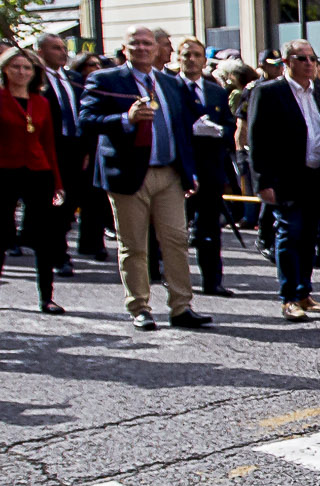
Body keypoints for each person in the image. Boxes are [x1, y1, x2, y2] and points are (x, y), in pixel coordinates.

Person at [85, 27, 209, 333]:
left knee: (176, 242)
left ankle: (182, 306)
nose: (141, 48)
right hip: (128, 175)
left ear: (156, 49)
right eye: (135, 44)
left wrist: (188, 171)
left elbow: (182, 130)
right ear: (125, 49)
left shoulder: (169, 83)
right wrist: (124, 119)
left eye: (147, 43)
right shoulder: (105, 80)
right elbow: (86, 120)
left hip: (168, 173)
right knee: (134, 245)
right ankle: (139, 306)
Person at [246, 40, 320, 320]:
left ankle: (304, 293)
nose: (309, 64)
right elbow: (258, 139)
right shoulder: (268, 92)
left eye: (312, 58)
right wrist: (263, 182)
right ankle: (289, 296)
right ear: (287, 62)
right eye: (302, 59)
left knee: (310, 236)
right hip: (286, 179)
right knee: (290, 234)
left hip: (316, 177)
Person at [0, 47, 65, 313]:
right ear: (5, 69)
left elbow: (49, 143)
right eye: (16, 67)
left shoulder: (42, 102)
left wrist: (57, 182)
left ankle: (46, 297)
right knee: (2, 234)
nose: (22, 72)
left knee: (44, 237)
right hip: (4, 171)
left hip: (38, 171)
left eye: (27, 68)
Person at [175, 37, 237, 297]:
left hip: (210, 168)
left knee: (210, 229)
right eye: (186, 55)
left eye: (196, 55)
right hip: (178, 168)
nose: (191, 60)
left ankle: (213, 280)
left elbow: (230, 126)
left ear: (204, 59)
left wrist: (219, 131)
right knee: (175, 229)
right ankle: (174, 280)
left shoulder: (215, 91)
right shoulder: (170, 87)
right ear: (178, 58)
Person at [34, 33, 95, 269]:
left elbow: (84, 113)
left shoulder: (73, 78)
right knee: (53, 206)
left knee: (72, 203)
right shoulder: (37, 80)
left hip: (76, 147)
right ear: (41, 52)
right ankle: (58, 256)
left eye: (63, 48)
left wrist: (87, 148)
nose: (63, 52)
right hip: (51, 147)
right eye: (55, 48)